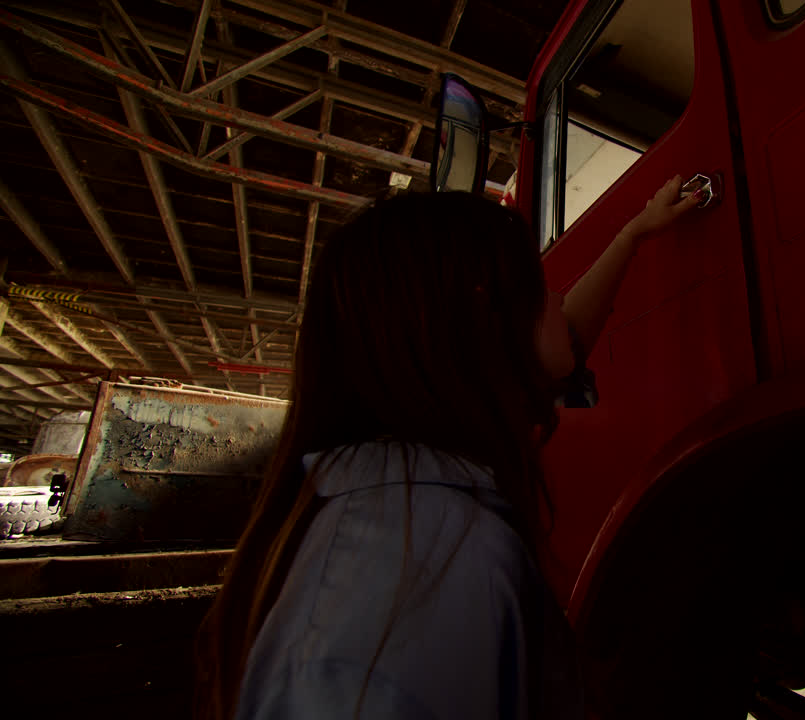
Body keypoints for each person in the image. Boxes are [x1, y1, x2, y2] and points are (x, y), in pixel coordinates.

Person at [195, 176, 703, 720]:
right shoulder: (416, 562)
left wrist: (633, 234)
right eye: (538, 286)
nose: (557, 295)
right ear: (486, 319)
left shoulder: (412, 508)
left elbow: (564, 340)